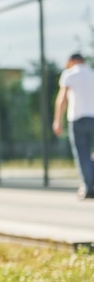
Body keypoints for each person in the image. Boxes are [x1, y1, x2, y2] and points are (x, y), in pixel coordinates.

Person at [52, 53, 94, 200]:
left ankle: (89, 187)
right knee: (90, 154)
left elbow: (62, 98)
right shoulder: (92, 74)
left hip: (78, 118)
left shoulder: (69, 75)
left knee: (82, 154)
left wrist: (58, 119)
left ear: (72, 61)